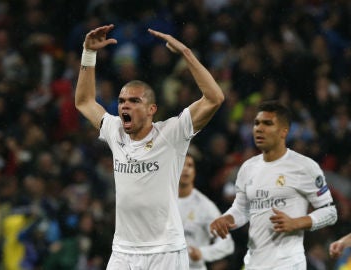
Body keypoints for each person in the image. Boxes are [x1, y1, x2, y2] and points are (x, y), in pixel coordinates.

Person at [75, 24, 225, 270]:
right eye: (122, 101)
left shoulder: (172, 133)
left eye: (135, 101)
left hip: (165, 252)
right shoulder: (114, 130)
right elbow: (84, 101)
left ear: (151, 110)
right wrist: (88, 54)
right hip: (123, 251)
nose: (125, 106)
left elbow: (214, 98)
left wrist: (186, 53)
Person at [210, 100, 337, 270]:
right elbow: (242, 209)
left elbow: (330, 212)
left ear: (284, 131)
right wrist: (227, 218)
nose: (259, 128)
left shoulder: (304, 166)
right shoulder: (248, 168)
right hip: (254, 263)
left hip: (288, 264)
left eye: (267, 123)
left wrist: (297, 222)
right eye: (256, 123)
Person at [178, 153, 234, 270]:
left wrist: (202, 253)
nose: (186, 169)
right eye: (181, 165)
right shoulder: (161, 202)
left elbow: (227, 243)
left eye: (190, 165)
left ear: (194, 172)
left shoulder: (205, 206)